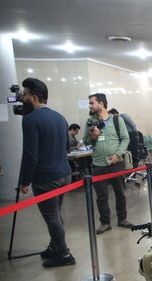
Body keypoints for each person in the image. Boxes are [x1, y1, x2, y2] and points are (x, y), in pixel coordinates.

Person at [19, 78, 75, 267]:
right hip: (64, 174)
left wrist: (24, 181)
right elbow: (68, 146)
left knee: (51, 216)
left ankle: (64, 254)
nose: (23, 98)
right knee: (56, 213)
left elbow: (30, 154)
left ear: (34, 98)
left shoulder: (30, 120)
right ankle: (54, 246)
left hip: (46, 177)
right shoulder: (59, 117)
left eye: (25, 94)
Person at [83, 93, 133, 234]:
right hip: (99, 164)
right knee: (101, 196)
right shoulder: (90, 121)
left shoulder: (117, 120)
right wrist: (93, 137)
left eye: (92, 103)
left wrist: (118, 154)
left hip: (116, 164)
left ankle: (122, 218)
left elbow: (125, 139)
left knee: (120, 193)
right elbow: (86, 141)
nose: (90, 106)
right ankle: (105, 222)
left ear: (101, 103)